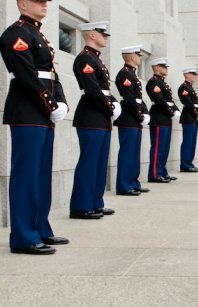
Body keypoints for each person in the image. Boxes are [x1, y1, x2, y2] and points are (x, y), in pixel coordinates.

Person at [0, 0, 69, 254]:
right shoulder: (16, 33)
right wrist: (50, 104)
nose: (44, 5)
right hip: (28, 111)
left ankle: (40, 228)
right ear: (22, 4)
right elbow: (26, 75)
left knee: (41, 174)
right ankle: (24, 237)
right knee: (26, 175)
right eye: (38, 1)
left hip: (42, 112)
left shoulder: (36, 32)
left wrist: (61, 102)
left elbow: (51, 73)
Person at [70, 21, 120, 219]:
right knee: (89, 163)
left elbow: (105, 90)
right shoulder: (84, 59)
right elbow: (91, 90)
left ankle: (95, 202)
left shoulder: (96, 59)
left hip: (101, 116)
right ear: (91, 35)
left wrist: (114, 103)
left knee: (99, 163)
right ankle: (81, 206)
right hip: (91, 115)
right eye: (102, 33)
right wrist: (110, 106)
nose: (105, 37)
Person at [114, 45, 151, 196]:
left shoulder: (132, 74)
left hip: (134, 118)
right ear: (130, 56)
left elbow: (138, 99)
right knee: (127, 153)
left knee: (134, 153)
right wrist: (140, 115)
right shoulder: (124, 74)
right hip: (129, 118)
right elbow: (129, 99)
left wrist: (143, 112)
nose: (139, 57)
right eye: (137, 54)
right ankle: (124, 185)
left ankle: (133, 182)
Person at [146, 57, 180, 183]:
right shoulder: (153, 82)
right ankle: (155, 174)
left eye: (166, 67)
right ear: (156, 67)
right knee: (158, 148)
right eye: (163, 66)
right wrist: (171, 111)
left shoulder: (163, 83)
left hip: (166, 118)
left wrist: (176, 110)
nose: (166, 69)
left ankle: (163, 172)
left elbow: (170, 100)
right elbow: (160, 100)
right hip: (159, 117)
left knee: (164, 148)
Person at [178, 67, 198, 173]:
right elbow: (188, 103)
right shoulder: (183, 88)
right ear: (186, 74)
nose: (195, 76)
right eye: (192, 74)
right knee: (188, 141)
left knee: (192, 141)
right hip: (188, 117)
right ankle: (185, 164)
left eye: (195, 74)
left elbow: (195, 103)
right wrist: (197, 112)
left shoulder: (191, 88)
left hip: (193, 117)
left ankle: (189, 163)